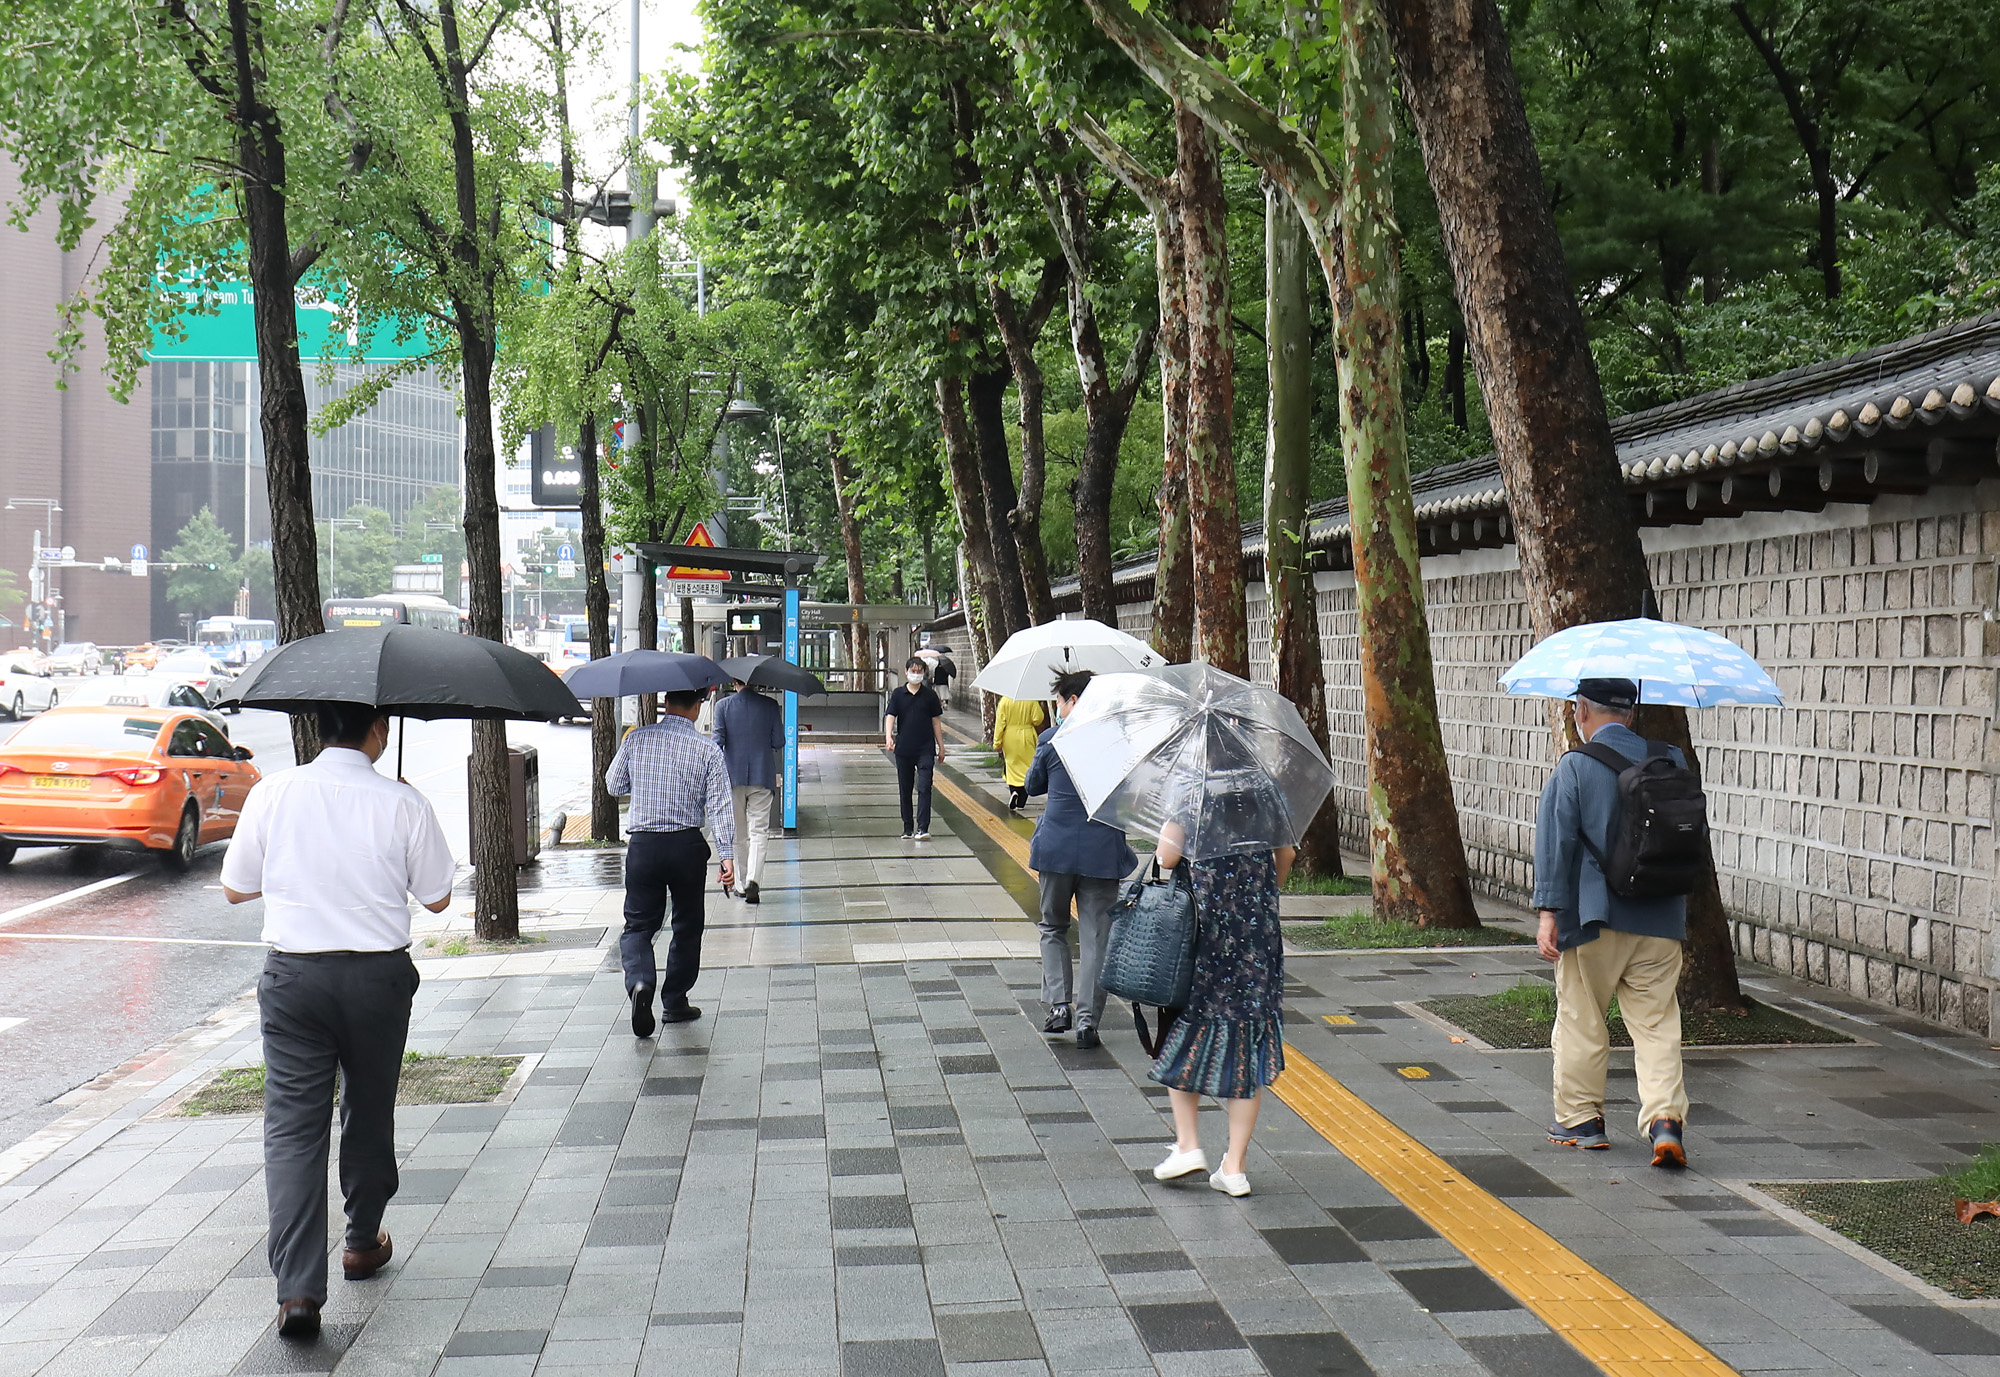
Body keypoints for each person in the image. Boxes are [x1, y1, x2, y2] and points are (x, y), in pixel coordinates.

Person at [220, 702, 456, 1340]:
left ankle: (297, 1291)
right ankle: (359, 1240)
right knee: (369, 1105)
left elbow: (236, 886)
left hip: (294, 980)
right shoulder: (401, 802)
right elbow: (436, 896)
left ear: (319, 728)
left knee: (293, 1130)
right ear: (377, 730)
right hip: (377, 980)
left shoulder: (274, 792)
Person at [1534, 677, 1691, 1167]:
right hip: (1661, 917)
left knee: (1582, 1018)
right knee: (1657, 1025)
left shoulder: (1574, 768)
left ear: (1582, 711)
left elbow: (1554, 846)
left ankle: (1582, 1120)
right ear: (1629, 712)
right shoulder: (1672, 760)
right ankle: (1665, 1122)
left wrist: (1548, 914)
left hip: (1593, 918)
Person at [1150, 815, 1295, 1199]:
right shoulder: (1264, 795)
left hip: (1205, 937)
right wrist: (1258, 894)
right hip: (1257, 939)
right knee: (1247, 1046)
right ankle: (1235, 1167)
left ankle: (1188, 1144)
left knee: (1188, 1033)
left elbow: (1166, 858)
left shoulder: (1191, 795)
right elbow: (1287, 855)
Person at [608, 688, 736, 1037]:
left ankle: (639, 982)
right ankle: (675, 1000)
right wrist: (727, 856)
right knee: (687, 923)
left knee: (637, 925)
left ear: (666, 703)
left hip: (645, 846)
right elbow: (720, 805)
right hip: (686, 846)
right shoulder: (707, 749)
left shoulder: (637, 740)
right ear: (697, 708)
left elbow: (613, 784)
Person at [1026, 669, 1136, 1049]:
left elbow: (1032, 786)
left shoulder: (1053, 740)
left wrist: (1045, 746)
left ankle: (1059, 1007)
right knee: (1095, 938)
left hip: (1055, 851)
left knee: (1053, 927)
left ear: (1073, 702)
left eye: (1058, 703)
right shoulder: (1119, 743)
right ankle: (1088, 1023)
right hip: (1103, 853)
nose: (1056, 709)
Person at [713, 679, 783, 905]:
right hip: (762, 776)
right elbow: (779, 741)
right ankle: (754, 879)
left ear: (735, 682)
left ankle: (741, 885)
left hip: (732, 777)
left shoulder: (722, 707)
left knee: (738, 834)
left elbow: (717, 742)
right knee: (759, 831)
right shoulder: (770, 706)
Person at [884, 656, 944, 840]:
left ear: (924, 673)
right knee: (906, 788)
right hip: (904, 749)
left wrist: (941, 746)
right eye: (913, 671)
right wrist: (888, 737)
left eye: (919, 671)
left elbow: (936, 722)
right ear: (906, 672)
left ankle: (923, 828)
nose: (916, 675)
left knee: (925, 786)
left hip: (925, 748)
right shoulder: (897, 694)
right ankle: (907, 827)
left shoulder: (930, 695)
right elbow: (890, 716)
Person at [993, 695, 1046, 812]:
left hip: (1010, 736)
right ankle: (1021, 802)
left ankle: (1014, 792)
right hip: (1027, 735)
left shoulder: (1004, 701)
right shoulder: (1031, 699)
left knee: (1012, 766)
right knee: (1027, 767)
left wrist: (997, 743)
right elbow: (1038, 718)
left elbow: (1000, 723)